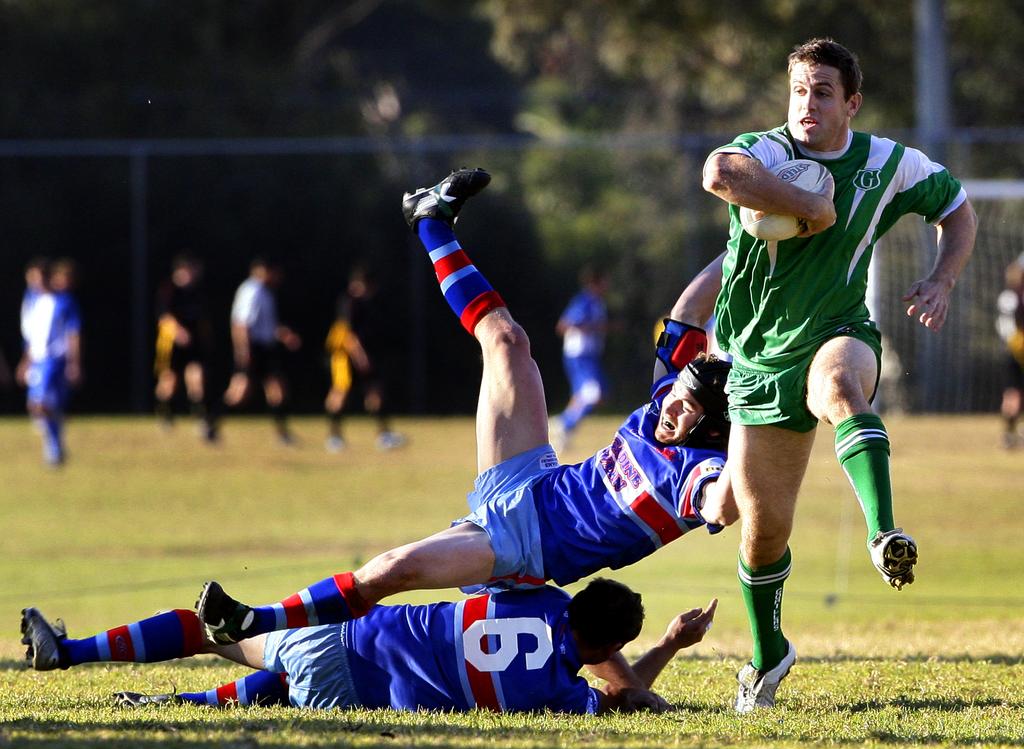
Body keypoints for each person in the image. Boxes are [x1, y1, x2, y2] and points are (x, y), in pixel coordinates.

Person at [194, 169, 736, 701]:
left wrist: (764, 440)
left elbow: (724, 504)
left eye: (686, 404)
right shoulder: (678, 394)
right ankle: (431, 220)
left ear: (712, 426)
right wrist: (746, 242)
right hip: (531, 478)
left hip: (521, 550)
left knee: (393, 570)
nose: (669, 402)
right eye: (676, 390)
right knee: (506, 342)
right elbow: (689, 309)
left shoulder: (701, 472)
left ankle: (253, 620)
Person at [700, 37, 978, 712]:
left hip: (839, 331)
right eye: (798, 90)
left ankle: (884, 532)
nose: (807, 104)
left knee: (840, 389)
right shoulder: (766, 150)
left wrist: (942, 278)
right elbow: (718, 170)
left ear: (851, 103)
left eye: (822, 92)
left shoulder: (888, 163)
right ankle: (769, 657)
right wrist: (806, 205)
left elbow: (959, 210)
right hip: (760, 356)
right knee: (762, 535)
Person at [20, 578, 717, 715]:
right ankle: (181, 700)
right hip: (352, 692)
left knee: (207, 631)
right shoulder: (559, 697)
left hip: (348, 635)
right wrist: (671, 646)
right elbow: (628, 697)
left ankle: (74, 652)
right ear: (608, 646)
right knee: (282, 692)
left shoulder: (534, 596)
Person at [324, 266, 405, 452]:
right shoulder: (349, 302)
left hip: (365, 355)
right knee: (340, 393)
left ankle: (384, 435)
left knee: (375, 393)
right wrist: (360, 356)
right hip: (345, 357)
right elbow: (348, 334)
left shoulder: (366, 303)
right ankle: (334, 437)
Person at [223, 258, 302, 444]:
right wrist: (244, 351)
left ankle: (282, 433)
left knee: (277, 389)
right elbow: (241, 324)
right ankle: (210, 423)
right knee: (239, 393)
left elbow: (267, 325)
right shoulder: (252, 291)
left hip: (266, 348)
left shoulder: (266, 293)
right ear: (264, 271)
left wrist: (284, 335)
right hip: (253, 347)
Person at [16, 259, 82, 466]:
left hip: (55, 360)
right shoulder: (32, 301)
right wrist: (25, 361)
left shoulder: (63, 301)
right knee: (35, 406)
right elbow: (31, 336)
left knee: (40, 404)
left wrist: (74, 362)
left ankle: (54, 448)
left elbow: (73, 333)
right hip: (37, 359)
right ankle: (55, 441)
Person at [153, 252, 217, 442]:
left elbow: (203, 320)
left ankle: (200, 419)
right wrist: (179, 332)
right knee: (169, 382)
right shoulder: (169, 290)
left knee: (197, 379)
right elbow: (163, 316)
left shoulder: (198, 292)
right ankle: (165, 415)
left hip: (194, 344)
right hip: (171, 343)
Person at [551, 266, 609, 452]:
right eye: (605, 281)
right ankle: (563, 423)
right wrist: (595, 327)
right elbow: (564, 325)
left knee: (585, 396)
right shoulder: (585, 301)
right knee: (594, 394)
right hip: (580, 356)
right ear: (595, 283)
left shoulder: (597, 302)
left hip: (589, 356)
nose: (608, 285)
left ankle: (564, 433)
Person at [996, 253, 1024, 449]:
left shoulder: (1007, 297)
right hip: (1017, 350)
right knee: (1014, 395)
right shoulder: (1014, 297)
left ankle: (1010, 434)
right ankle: (1010, 434)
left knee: (1012, 393)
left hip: (1010, 349)